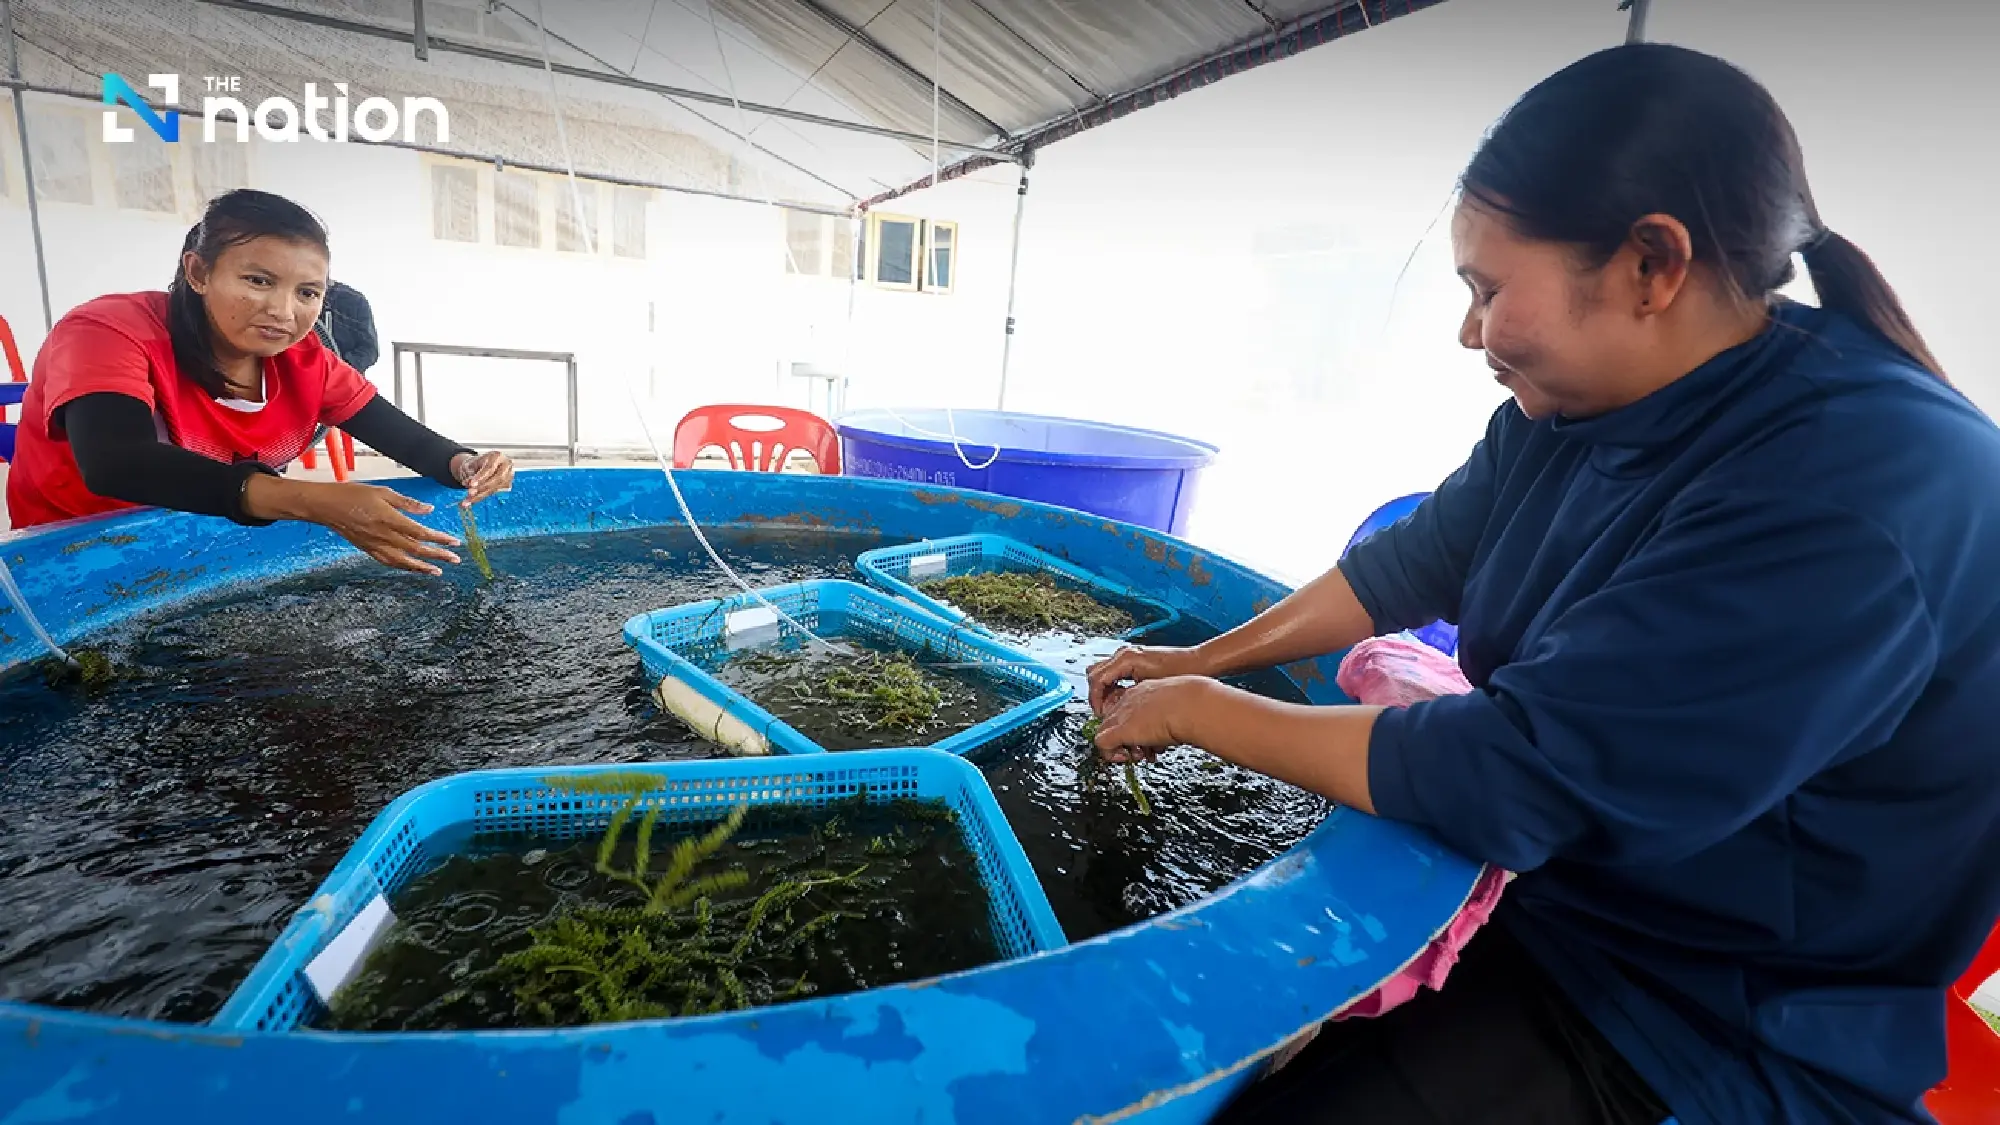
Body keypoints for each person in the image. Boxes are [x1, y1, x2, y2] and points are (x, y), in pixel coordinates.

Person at [1088, 43, 2000, 1125]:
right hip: (1559, 908)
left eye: (1485, 290)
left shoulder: (1859, 487)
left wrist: (1198, 712)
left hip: (1711, 1024)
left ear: (1648, 265)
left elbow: (1520, 774)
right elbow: (1412, 562)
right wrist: (1198, 657)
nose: (1467, 331)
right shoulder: (1575, 405)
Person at [4, 190, 511, 576]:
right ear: (198, 272)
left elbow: (412, 443)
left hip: (211, 537)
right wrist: (315, 501)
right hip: (78, 554)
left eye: (307, 292)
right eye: (258, 281)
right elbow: (118, 464)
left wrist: (469, 465)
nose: (283, 312)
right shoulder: (109, 331)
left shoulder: (306, 361)